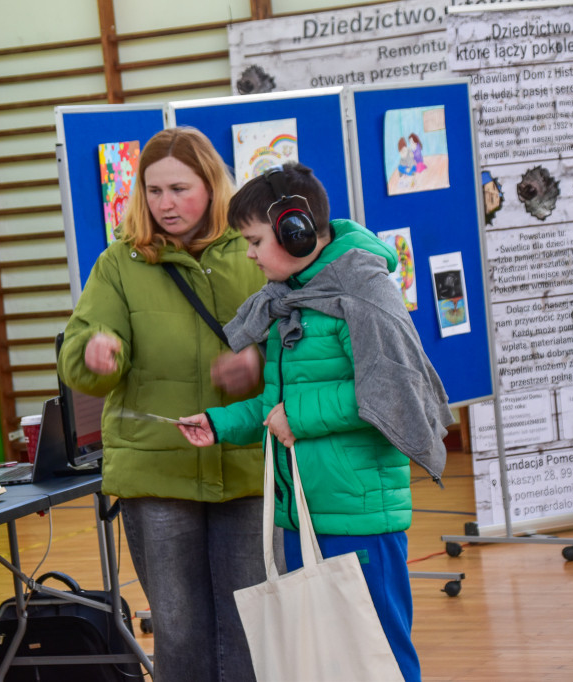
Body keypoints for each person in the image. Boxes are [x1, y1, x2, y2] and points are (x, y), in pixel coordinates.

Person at [178, 162, 453, 682]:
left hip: (360, 514)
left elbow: (395, 393)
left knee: (379, 654)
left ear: (296, 231)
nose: (251, 254)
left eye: (256, 240)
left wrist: (299, 417)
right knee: (331, 662)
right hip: (307, 509)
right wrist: (219, 423)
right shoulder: (290, 302)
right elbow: (277, 407)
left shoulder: (362, 293)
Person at [57, 127, 268, 682]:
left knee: (250, 621)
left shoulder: (256, 254)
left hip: (245, 463)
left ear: (212, 185)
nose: (165, 204)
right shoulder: (120, 264)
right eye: (153, 191)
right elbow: (79, 351)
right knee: (180, 628)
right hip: (157, 471)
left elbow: (304, 342)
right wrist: (95, 353)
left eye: (179, 188)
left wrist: (259, 364)